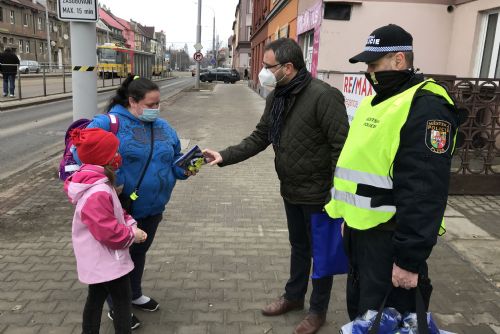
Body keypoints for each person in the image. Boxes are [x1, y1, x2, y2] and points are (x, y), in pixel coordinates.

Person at [203, 38, 349, 334]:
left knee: (321, 252)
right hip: (291, 188)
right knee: (298, 246)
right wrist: (224, 156)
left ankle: (318, 310)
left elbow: (341, 148)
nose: (262, 72)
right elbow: (261, 136)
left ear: (288, 67)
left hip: (320, 193)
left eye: (268, 66)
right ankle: (294, 297)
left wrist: (339, 194)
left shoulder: (324, 96)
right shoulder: (277, 97)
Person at [324, 24, 459, 320]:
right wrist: (349, 218)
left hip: (391, 240)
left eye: (373, 64)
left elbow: (424, 190)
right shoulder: (376, 101)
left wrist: (409, 261)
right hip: (363, 235)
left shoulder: (426, 107)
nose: (369, 72)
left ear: (399, 60)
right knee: (363, 315)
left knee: (386, 320)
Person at [86, 74, 195, 329]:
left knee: (139, 253)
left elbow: (175, 158)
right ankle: (117, 307)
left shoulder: (164, 127)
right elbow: (82, 155)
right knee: (118, 259)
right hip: (121, 209)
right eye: (151, 104)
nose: (156, 109)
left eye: (158, 103)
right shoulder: (106, 124)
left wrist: (186, 168)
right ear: (132, 101)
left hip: (154, 206)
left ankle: (133, 294)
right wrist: (114, 179)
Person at [64, 128, 148, 334]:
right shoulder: (98, 191)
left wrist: (130, 222)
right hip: (108, 259)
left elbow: (115, 213)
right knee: (122, 302)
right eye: (115, 152)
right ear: (104, 157)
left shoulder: (98, 183)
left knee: (95, 299)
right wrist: (132, 234)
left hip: (100, 259)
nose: (118, 156)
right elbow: (107, 231)